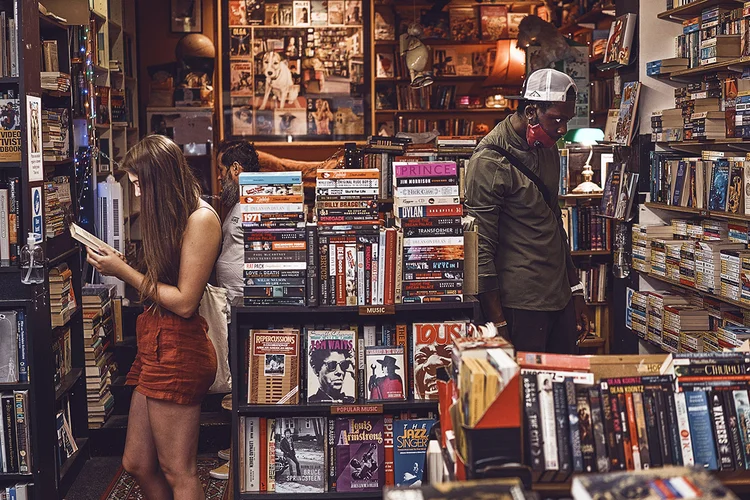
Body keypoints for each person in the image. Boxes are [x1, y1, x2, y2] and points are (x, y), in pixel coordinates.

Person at [86, 135, 222, 500]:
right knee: (137, 462)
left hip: (179, 350)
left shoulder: (201, 219)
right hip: (156, 343)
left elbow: (184, 302)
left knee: (179, 469)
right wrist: (126, 264)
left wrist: (123, 272)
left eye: (137, 184)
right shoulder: (172, 217)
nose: (137, 193)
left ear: (158, 180)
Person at [465, 68, 590, 354]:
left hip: (558, 297)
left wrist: (576, 291)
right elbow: (480, 247)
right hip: (519, 304)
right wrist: (497, 324)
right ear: (531, 112)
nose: (562, 129)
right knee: (525, 393)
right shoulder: (489, 161)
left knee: (564, 388)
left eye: (567, 120)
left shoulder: (547, 147)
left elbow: (554, 220)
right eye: (556, 119)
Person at [215, 140, 262, 302]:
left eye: (221, 170)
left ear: (235, 168)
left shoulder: (257, 205)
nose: (219, 178)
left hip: (248, 303)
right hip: (233, 303)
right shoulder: (239, 203)